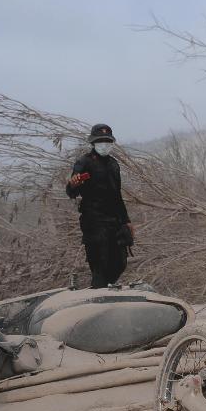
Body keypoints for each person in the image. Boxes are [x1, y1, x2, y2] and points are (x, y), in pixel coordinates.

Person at [66, 123, 134, 288]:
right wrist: (73, 184)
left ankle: (106, 289)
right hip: (94, 221)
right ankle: (99, 293)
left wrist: (126, 221)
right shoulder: (84, 162)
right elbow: (71, 191)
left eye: (107, 141)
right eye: (100, 141)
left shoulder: (114, 164)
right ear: (93, 143)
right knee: (100, 264)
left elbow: (117, 195)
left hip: (115, 221)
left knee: (120, 262)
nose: (104, 144)